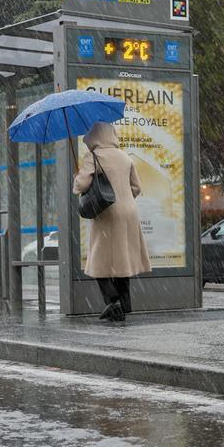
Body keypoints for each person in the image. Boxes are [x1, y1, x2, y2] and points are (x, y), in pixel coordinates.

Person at [73, 121, 151, 322]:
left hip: (107, 212)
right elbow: (137, 188)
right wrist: (124, 197)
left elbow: (81, 184)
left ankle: (112, 301)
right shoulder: (124, 156)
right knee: (122, 259)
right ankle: (124, 306)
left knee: (100, 260)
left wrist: (77, 177)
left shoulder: (94, 155)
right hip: (129, 212)